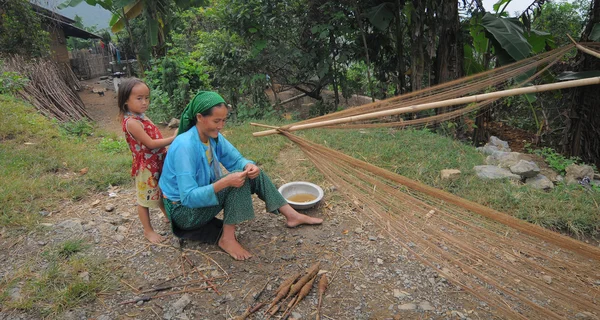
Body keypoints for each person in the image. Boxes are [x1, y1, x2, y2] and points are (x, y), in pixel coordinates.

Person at [159, 91, 322, 260]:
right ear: (200, 117)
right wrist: (224, 183)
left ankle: (292, 215)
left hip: (195, 203)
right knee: (236, 180)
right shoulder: (184, 146)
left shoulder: (212, 137)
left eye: (223, 120)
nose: (221, 125)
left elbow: (236, 159)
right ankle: (227, 239)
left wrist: (248, 165)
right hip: (183, 213)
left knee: (251, 173)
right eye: (216, 121)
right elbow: (188, 197)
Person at [118, 78, 176, 243]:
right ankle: (148, 230)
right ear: (125, 101)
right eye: (139, 98)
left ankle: (167, 216)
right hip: (146, 167)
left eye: (146, 98)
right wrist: (173, 139)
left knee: (162, 190)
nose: (144, 102)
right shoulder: (132, 123)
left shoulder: (142, 117)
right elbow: (150, 144)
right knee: (144, 199)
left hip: (158, 160)